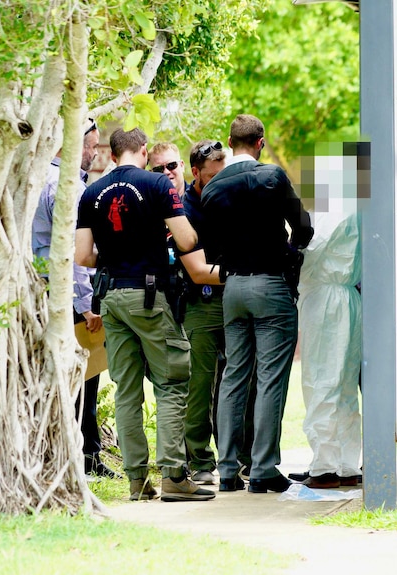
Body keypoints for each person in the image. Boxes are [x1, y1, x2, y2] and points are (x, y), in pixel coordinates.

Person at [75, 127, 215, 502]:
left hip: (112, 297)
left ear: (114, 151)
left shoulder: (90, 192)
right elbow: (186, 240)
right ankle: (173, 474)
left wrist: (117, 255)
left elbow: (83, 256)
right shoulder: (157, 185)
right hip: (150, 297)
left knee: (126, 390)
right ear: (140, 150)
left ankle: (137, 480)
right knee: (171, 383)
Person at [200, 114, 313, 493]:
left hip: (232, 288)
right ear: (260, 142)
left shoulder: (212, 189)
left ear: (230, 143)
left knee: (233, 376)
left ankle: (228, 469)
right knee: (270, 378)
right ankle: (263, 467)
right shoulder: (273, 177)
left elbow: (211, 247)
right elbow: (303, 227)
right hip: (270, 285)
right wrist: (291, 250)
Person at [31, 118, 120, 479]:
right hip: (66, 298)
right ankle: (85, 456)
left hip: (40, 294)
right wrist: (85, 305)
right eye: (89, 146)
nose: (92, 154)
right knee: (84, 377)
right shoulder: (63, 186)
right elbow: (74, 256)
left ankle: (70, 453)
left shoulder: (36, 179)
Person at [288, 188, 363, 489]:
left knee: (321, 378)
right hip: (344, 296)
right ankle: (344, 463)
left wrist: (287, 248)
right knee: (343, 383)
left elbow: (313, 249)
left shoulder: (336, 206)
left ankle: (324, 466)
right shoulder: (354, 205)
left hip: (326, 297)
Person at [171, 139, 227, 485]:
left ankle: (240, 457)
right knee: (201, 385)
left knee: (238, 383)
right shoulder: (185, 209)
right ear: (195, 173)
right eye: (212, 176)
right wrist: (243, 270)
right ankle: (201, 460)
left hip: (232, 299)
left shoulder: (228, 195)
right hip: (201, 303)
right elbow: (196, 270)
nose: (219, 181)